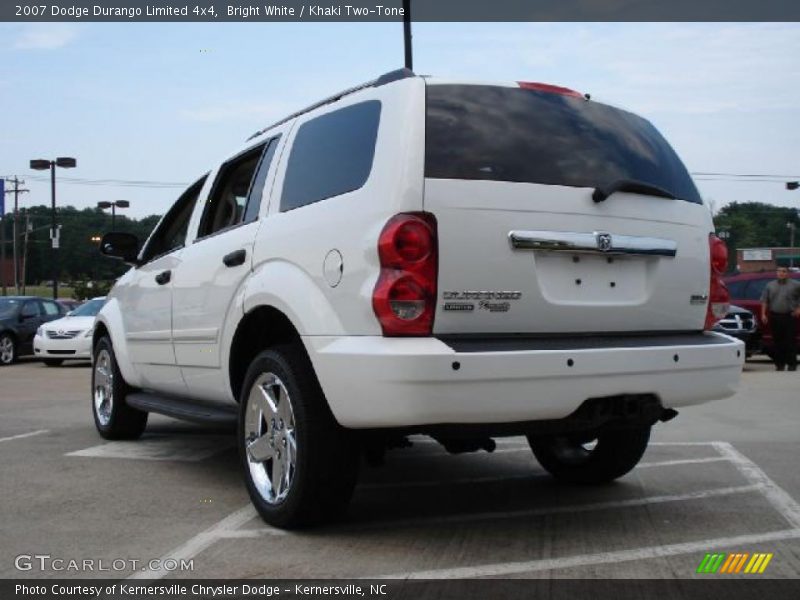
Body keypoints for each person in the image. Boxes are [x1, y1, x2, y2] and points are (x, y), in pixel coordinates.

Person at [760, 266, 800, 371]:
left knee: (790, 341)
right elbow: (765, 300)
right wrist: (763, 314)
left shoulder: (795, 285)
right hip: (775, 316)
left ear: (788, 273)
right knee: (778, 341)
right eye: (778, 271)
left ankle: (792, 364)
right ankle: (779, 364)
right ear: (776, 273)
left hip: (790, 316)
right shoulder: (770, 285)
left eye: (783, 271)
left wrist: (798, 309)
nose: (781, 273)